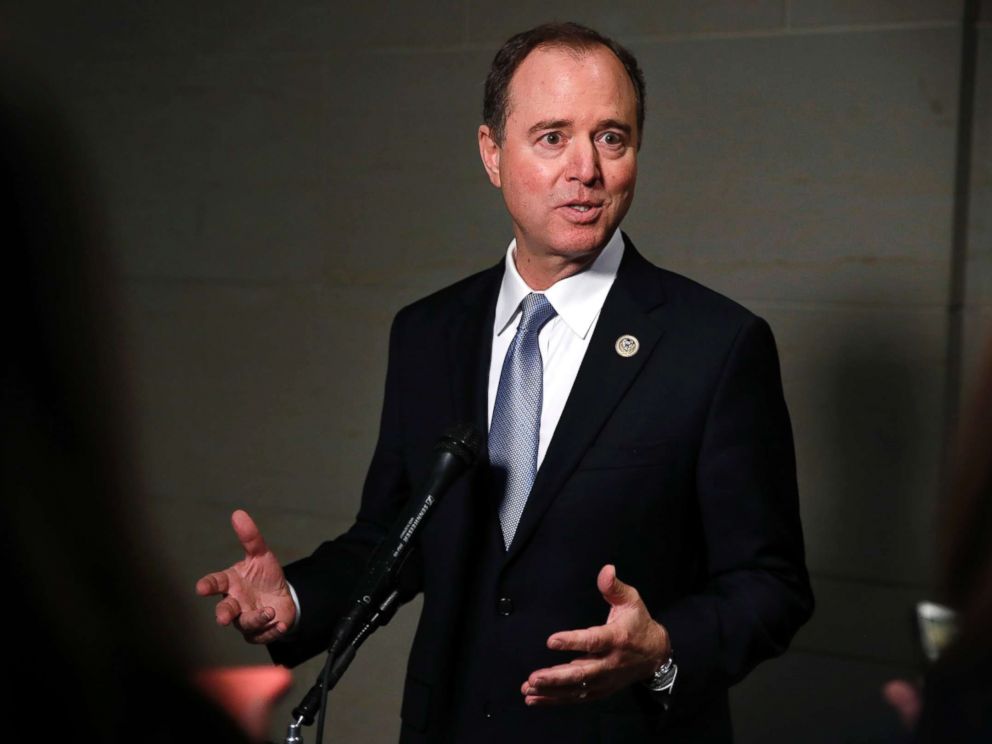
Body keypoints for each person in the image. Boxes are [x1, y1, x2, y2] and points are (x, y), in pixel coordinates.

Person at [197, 22, 814, 743]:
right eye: (552, 137)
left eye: (612, 137)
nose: (586, 167)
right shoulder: (428, 333)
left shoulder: (715, 345)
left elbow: (772, 585)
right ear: (492, 153)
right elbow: (392, 537)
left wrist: (662, 650)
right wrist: (296, 600)